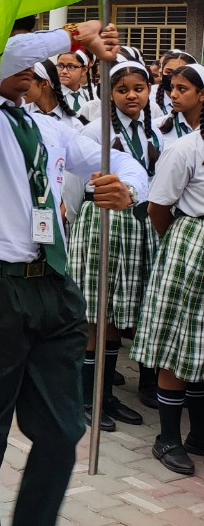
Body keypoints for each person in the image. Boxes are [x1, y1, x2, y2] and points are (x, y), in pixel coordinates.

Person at [0, 18, 145, 526]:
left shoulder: (51, 128)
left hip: (52, 285)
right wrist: (76, 37)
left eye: (35, 62)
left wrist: (128, 189)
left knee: (63, 429)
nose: (27, 66)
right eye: (20, 55)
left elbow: (120, 159)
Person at [70, 61, 157, 431]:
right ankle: (86, 399)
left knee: (116, 315)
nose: (131, 95)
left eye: (139, 88)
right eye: (122, 90)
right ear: (109, 95)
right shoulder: (94, 131)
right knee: (96, 314)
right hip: (98, 223)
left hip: (136, 223)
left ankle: (107, 397)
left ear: (149, 91)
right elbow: (74, 184)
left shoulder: (156, 131)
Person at [130, 73, 204, 475]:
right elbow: (159, 207)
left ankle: (199, 434)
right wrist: (181, 241)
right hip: (191, 240)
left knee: (202, 342)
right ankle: (168, 439)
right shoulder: (185, 149)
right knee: (177, 340)